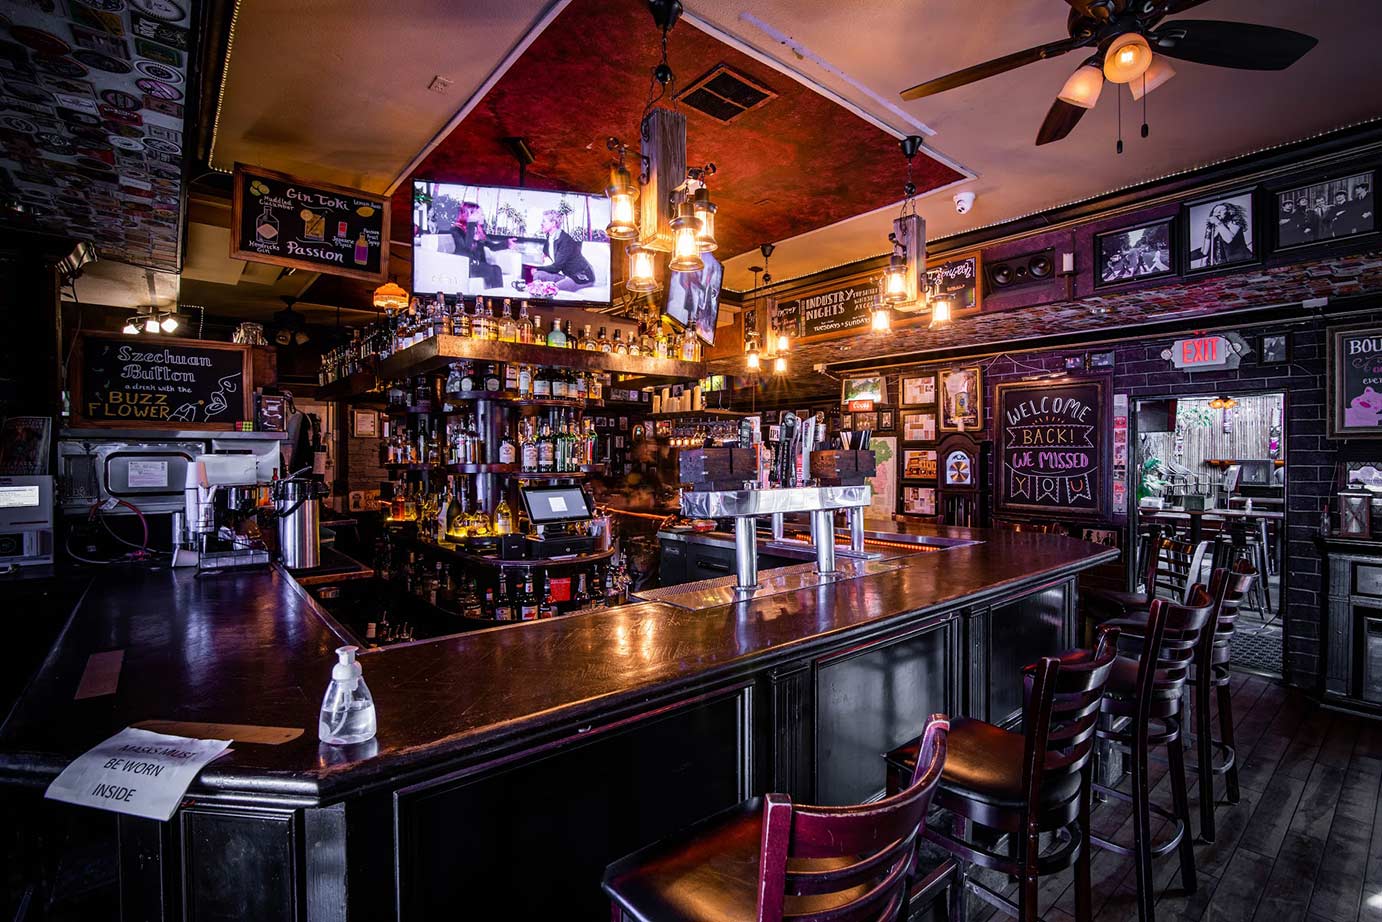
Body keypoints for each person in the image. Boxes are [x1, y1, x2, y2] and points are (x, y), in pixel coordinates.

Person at [448, 202, 510, 290]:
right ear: (468, 214)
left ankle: (497, 297)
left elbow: (492, 247)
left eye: (481, 214)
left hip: (477, 265)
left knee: (496, 269)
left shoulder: (479, 230)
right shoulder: (457, 230)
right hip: (465, 266)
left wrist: (507, 243)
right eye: (478, 213)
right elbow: (466, 249)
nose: (482, 216)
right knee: (494, 270)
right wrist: (470, 226)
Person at [531, 209, 595, 291]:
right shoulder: (550, 238)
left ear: (553, 223)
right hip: (567, 275)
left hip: (581, 277)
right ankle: (536, 295)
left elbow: (556, 267)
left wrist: (538, 268)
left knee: (551, 289)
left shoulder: (565, 240)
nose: (541, 224)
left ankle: (540, 296)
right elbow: (547, 250)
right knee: (538, 275)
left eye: (544, 221)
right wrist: (544, 255)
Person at [1199, 201, 1251, 267]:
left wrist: (1218, 222)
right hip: (1220, 263)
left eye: (1221, 210)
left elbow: (1229, 239)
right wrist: (1208, 230)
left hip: (1239, 261)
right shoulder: (1214, 227)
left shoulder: (1234, 222)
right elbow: (1205, 251)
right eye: (1215, 211)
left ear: (1229, 212)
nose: (1217, 213)